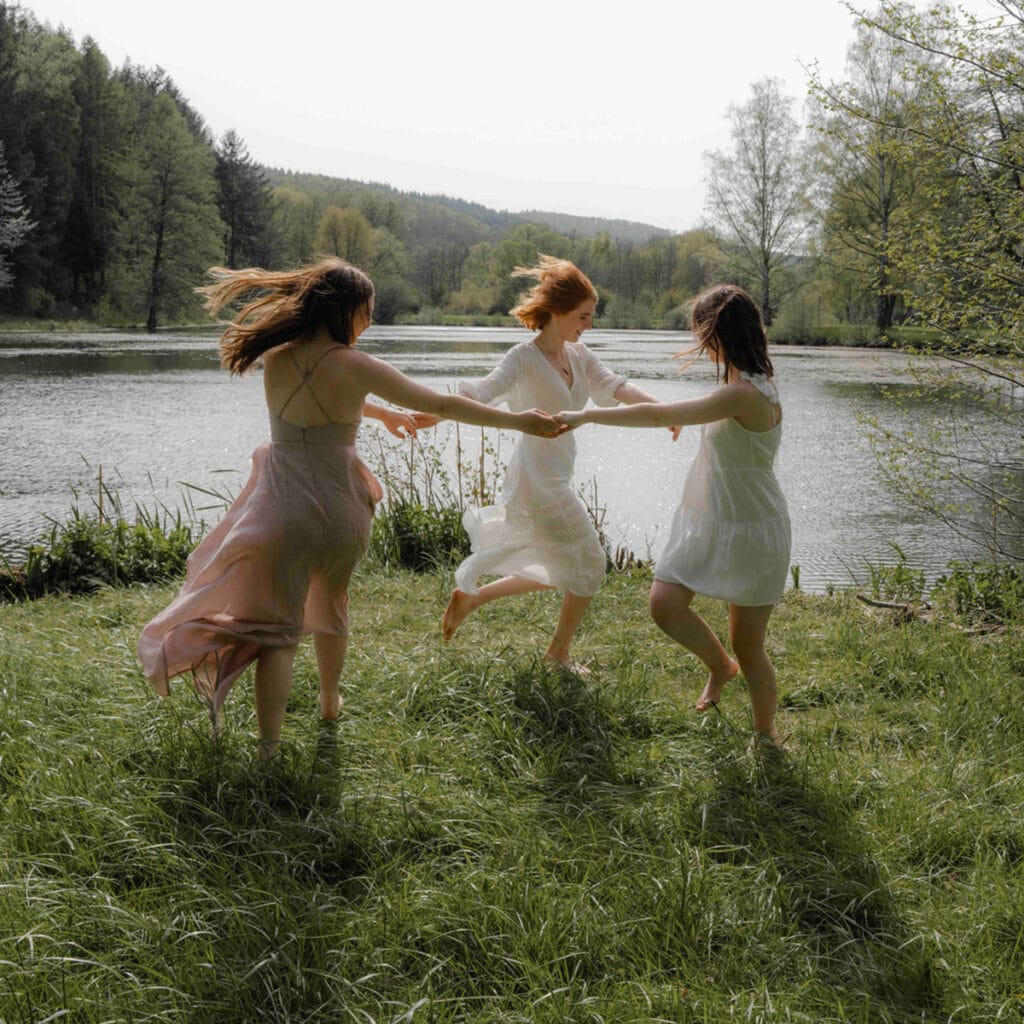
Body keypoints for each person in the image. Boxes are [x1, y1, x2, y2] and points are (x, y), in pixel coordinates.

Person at [138, 258, 563, 756]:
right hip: (339, 511)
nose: (370, 320)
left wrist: (379, 412)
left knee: (278, 634)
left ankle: (269, 747)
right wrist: (521, 423)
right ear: (348, 311)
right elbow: (442, 405)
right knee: (330, 603)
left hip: (281, 509)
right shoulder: (357, 366)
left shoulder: (275, 357)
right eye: (368, 310)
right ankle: (328, 701)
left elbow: (314, 394)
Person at [555, 284, 790, 747]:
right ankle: (720, 667)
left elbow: (656, 414)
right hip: (711, 519)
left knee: (750, 645)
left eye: (703, 335)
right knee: (665, 605)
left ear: (718, 335)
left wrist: (585, 416)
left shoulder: (746, 392)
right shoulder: (736, 384)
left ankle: (765, 737)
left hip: (753, 529)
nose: (703, 347)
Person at [441, 255, 674, 672]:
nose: (588, 325)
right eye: (582, 316)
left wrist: (662, 409)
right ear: (557, 312)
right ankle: (557, 653)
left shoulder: (579, 356)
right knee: (590, 564)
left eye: (590, 316)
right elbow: (480, 393)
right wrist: (432, 412)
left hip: (557, 474)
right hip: (536, 480)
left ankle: (477, 599)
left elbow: (616, 386)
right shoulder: (523, 358)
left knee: (570, 564)